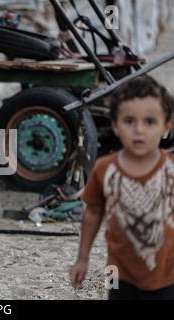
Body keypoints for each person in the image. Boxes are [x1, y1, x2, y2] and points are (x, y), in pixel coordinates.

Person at [70, 76, 174, 300]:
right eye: (129, 121)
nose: (139, 130)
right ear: (115, 125)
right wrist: (82, 258)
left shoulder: (171, 169)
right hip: (117, 271)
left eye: (149, 121)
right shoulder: (104, 169)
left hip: (167, 273)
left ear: (167, 125)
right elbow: (93, 212)